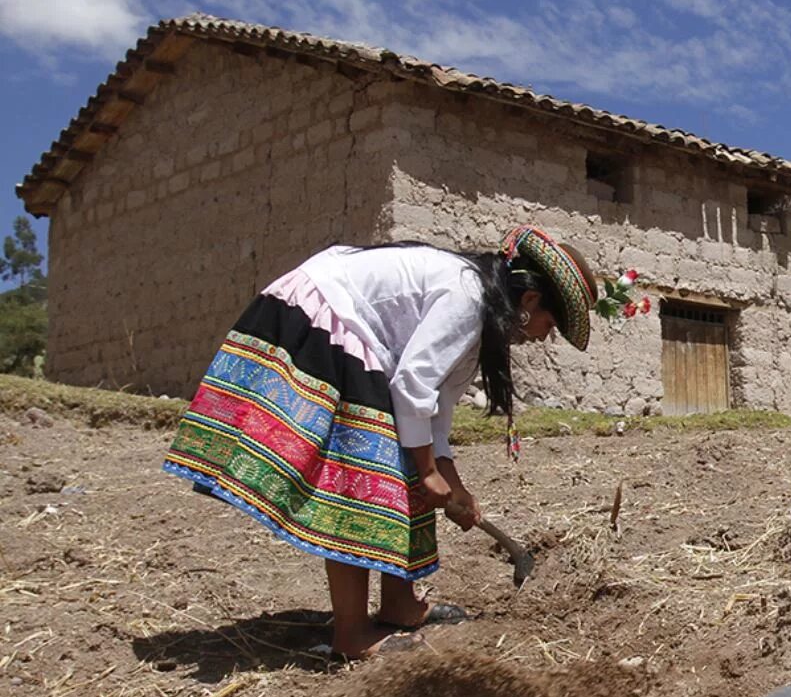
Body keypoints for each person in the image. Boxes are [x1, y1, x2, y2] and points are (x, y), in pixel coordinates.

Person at [165, 225, 608, 661]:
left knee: (404, 461)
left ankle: (400, 604)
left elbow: (433, 411)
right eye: (550, 324)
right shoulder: (467, 297)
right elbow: (414, 384)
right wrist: (430, 472)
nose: (544, 336)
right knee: (361, 476)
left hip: (356, 333)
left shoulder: (480, 314)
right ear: (530, 301)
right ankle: (352, 632)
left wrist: (450, 482)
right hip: (325, 313)